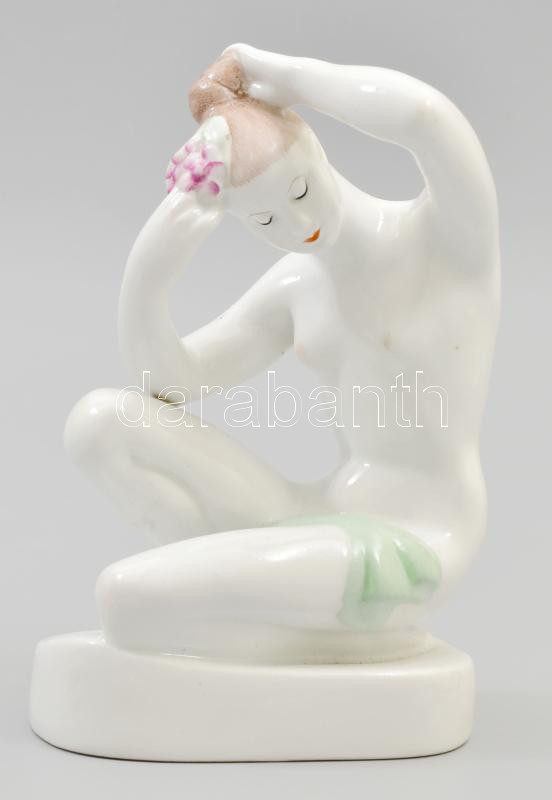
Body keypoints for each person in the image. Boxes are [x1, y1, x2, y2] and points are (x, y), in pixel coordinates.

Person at [65, 45, 499, 662]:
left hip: (418, 540)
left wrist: (284, 76)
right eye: (264, 221)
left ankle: (247, 617)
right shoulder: (299, 285)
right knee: (99, 425)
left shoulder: (447, 243)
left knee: (126, 594)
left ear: (314, 149)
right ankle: (253, 612)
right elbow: (171, 383)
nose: (299, 225)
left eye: (299, 189)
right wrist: (148, 279)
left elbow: (426, 117)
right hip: (322, 513)